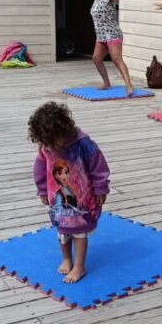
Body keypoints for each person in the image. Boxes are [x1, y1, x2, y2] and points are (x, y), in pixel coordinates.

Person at [29, 101, 110, 284]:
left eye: (55, 141)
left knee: (80, 231)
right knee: (62, 230)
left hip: (82, 198)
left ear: (63, 130)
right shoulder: (46, 145)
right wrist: (42, 189)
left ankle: (79, 266)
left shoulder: (83, 143)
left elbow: (99, 168)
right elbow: (39, 168)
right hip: (57, 197)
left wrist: (100, 189)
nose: (53, 146)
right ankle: (66, 258)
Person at [82, 0, 133, 94]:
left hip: (113, 34)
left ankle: (129, 85)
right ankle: (106, 83)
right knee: (96, 58)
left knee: (116, 59)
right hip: (101, 36)